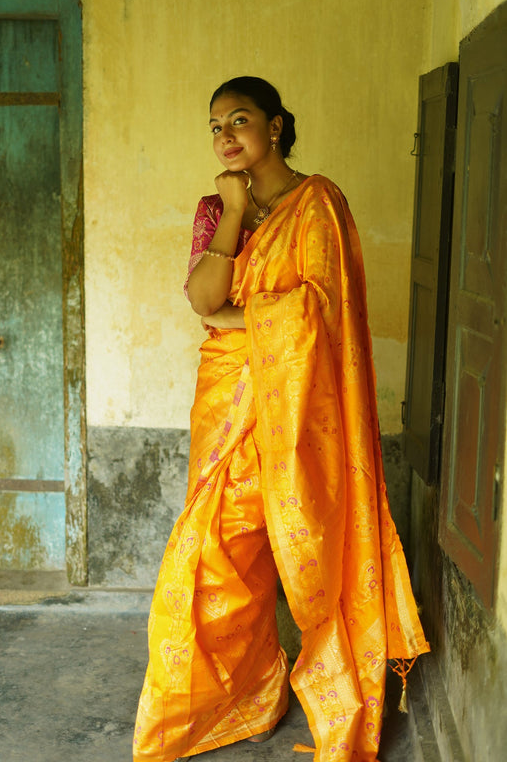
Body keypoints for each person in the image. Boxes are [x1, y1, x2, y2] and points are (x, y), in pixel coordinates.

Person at [133, 76, 429, 762]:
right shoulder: (215, 208)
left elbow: (319, 311)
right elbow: (202, 300)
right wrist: (233, 213)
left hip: (302, 414)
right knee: (217, 560)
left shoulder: (317, 204)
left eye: (238, 120)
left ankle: (339, 702)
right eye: (214, 126)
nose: (225, 135)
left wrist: (242, 321)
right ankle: (237, 700)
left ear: (276, 125)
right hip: (229, 409)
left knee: (313, 552)